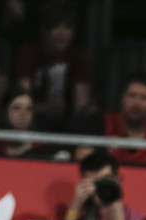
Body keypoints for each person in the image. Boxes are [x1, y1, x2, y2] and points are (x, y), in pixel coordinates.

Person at [13, 0, 92, 129]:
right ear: (44, 29)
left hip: (68, 123)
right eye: (56, 25)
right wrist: (45, 108)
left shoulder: (79, 57)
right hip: (33, 120)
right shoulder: (28, 53)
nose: (62, 33)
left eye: (68, 27)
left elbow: (81, 105)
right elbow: (23, 100)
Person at [103, 74, 146, 166]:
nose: (136, 103)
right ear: (122, 98)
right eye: (132, 95)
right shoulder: (102, 125)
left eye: (144, 98)